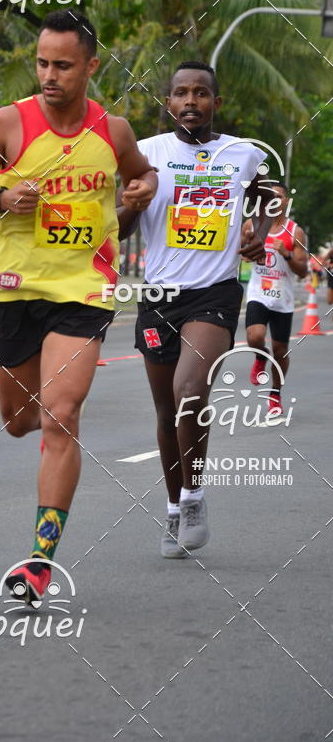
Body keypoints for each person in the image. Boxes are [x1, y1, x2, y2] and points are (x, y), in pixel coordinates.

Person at [0, 10, 157, 603]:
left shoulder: (113, 131)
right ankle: (41, 530)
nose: (49, 74)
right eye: (42, 62)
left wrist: (137, 194)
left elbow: (140, 179)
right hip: (16, 290)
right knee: (20, 421)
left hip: (84, 293)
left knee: (60, 416)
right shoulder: (9, 122)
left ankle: (40, 561)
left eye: (63, 65)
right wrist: (0, 198)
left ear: (91, 66)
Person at [122, 61, 273, 559]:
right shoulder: (146, 154)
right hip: (160, 295)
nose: (191, 101)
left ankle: (194, 497)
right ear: (168, 102)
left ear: (216, 103)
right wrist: (133, 205)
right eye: (181, 93)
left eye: (202, 93)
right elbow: (118, 227)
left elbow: (272, 197)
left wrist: (259, 231)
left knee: (190, 390)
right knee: (166, 412)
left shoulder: (242, 154)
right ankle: (172, 507)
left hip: (215, 293)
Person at [243, 182, 308, 416]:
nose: (274, 201)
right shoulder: (252, 225)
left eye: (278, 197)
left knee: (280, 350)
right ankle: (260, 357)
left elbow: (303, 270)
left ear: (286, 201)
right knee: (255, 335)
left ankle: (275, 394)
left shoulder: (295, 231)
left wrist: (287, 253)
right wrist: (248, 246)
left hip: (283, 297)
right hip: (258, 292)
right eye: (269, 196)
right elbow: (239, 253)